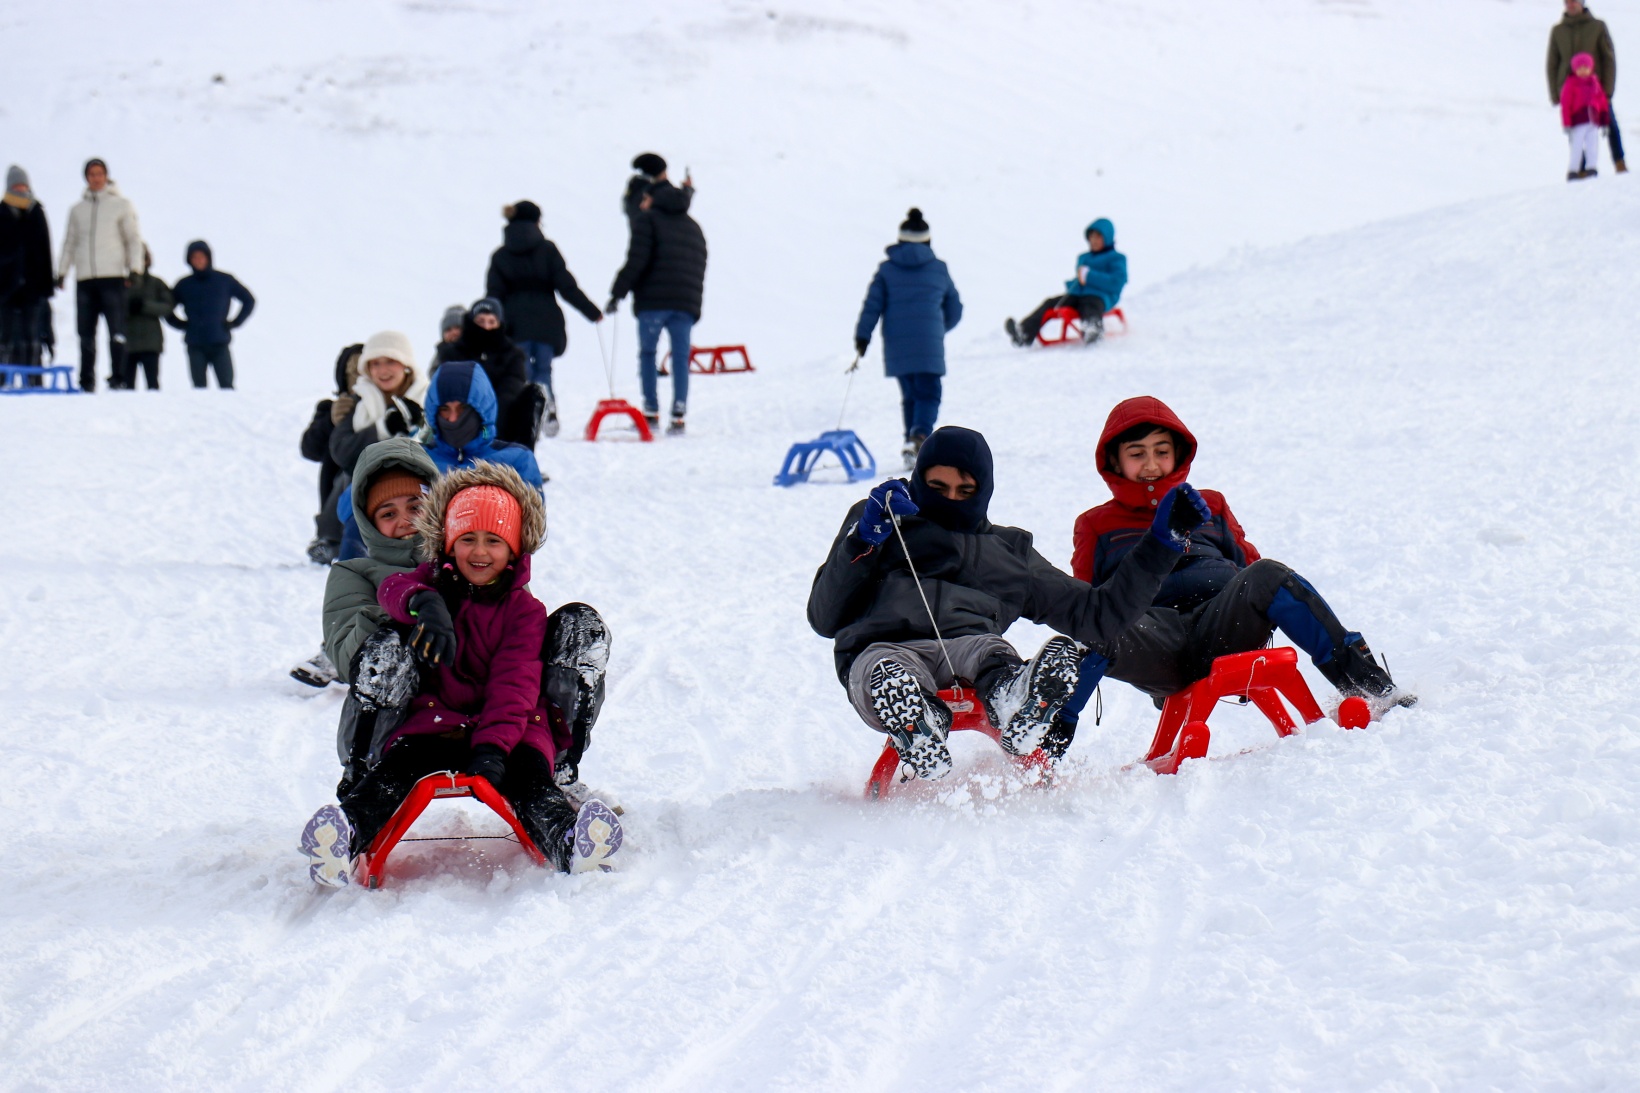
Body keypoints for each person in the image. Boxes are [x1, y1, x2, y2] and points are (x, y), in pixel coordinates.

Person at [806, 425, 1200, 780]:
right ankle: (912, 715)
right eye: (937, 487)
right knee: (883, 669)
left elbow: (1098, 615)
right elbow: (824, 618)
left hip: (969, 649)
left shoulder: (1008, 552)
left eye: (965, 491)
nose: (950, 500)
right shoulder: (881, 521)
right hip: (882, 649)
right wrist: (860, 543)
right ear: (918, 480)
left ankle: (1015, 696)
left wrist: (1160, 547)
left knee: (990, 652)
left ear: (984, 491)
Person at [298, 462, 623, 886]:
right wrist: (422, 602)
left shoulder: (524, 612)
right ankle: (345, 837)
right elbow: (390, 589)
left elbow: (515, 684)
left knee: (530, 782)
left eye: (494, 541)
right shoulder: (432, 583)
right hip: (437, 723)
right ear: (449, 544)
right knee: (394, 774)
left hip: (511, 732)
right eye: (467, 539)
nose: (479, 552)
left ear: (514, 550)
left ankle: (569, 841)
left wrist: (492, 747)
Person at [1051, 396, 1415, 759]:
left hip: (1222, 622)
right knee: (1094, 627)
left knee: (1270, 574)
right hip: (1156, 641)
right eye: (1137, 453)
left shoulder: (1210, 505)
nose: (1151, 464)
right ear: (1115, 460)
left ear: (1178, 454)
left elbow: (1251, 567)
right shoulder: (1096, 525)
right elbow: (1087, 607)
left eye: (1161, 451)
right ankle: (1046, 741)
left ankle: (1369, 686)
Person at [853, 208, 963, 469]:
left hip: (896, 344)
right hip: (929, 343)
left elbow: (872, 305)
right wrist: (938, 328)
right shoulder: (938, 268)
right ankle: (919, 437)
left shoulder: (886, 270)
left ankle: (910, 442)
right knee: (930, 392)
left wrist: (862, 336)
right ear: (928, 241)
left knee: (911, 395)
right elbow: (955, 308)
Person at [607, 152, 707, 435]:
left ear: (647, 197)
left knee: (649, 353)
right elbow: (699, 265)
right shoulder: (693, 226)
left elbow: (636, 260)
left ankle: (650, 412)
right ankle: (678, 412)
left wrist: (617, 294)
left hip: (652, 302)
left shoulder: (647, 222)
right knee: (680, 356)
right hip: (684, 305)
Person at [486, 201, 603, 439]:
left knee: (521, 370)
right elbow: (567, 286)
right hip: (546, 321)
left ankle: (527, 413)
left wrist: (488, 327)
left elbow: (493, 296)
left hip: (515, 323)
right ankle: (547, 405)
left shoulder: (500, 255)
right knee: (543, 369)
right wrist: (591, 311)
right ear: (536, 222)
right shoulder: (548, 249)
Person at [55, 158, 142, 392]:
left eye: (100, 173)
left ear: (106, 176)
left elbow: (133, 239)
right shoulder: (77, 210)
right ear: (86, 177)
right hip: (85, 279)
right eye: (92, 174)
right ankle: (87, 379)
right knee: (85, 334)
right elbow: (70, 242)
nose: (96, 178)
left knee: (116, 331)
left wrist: (135, 268)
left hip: (112, 276)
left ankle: (118, 377)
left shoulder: (121, 205)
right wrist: (62, 271)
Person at [420, 359, 544, 488]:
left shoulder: (517, 460)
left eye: (463, 409)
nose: (452, 419)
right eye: (444, 409)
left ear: (481, 411)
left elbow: (531, 507)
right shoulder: (418, 461)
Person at [1006, 218, 1127, 348]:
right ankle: (1023, 333)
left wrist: (1089, 276)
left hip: (1100, 296)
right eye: (1091, 237)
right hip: (1077, 294)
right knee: (1050, 303)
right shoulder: (1084, 257)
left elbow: (1117, 281)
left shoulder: (1117, 258)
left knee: (1090, 306)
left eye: (1098, 236)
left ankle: (1093, 331)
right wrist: (1073, 283)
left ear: (1107, 237)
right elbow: (1080, 279)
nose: (1094, 240)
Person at [432, 297, 536, 446]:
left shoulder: (512, 354)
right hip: (463, 416)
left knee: (533, 394)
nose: (486, 327)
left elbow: (513, 384)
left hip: (502, 416)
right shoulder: (453, 352)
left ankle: (519, 453)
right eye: (481, 321)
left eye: (492, 322)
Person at [327, 331, 428, 481]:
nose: (383, 370)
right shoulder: (358, 401)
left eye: (390, 361)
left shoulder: (428, 398)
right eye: (375, 363)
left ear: (406, 364)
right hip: (367, 487)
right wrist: (382, 428)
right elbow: (341, 451)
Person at [299, 343, 363, 567]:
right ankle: (329, 539)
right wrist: (331, 422)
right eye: (352, 373)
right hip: (338, 484)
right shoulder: (330, 409)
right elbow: (309, 449)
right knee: (346, 478)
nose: (357, 379)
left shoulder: (388, 410)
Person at [166, 240, 254, 389]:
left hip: (219, 342)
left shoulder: (224, 280)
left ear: (208, 258)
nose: (198, 260)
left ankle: (228, 412)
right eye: (194, 257)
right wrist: (180, 324)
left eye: (201, 256)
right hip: (195, 345)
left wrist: (235, 322)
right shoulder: (184, 284)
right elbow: (166, 308)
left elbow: (249, 300)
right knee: (199, 389)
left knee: (227, 388)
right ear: (189, 261)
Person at [1549, 1, 1624, 173]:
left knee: (1609, 122)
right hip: (1570, 91)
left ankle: (1620, 162)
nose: (1570, 4)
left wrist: (1607, 90)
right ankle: (1581, 169)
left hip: (1595, 91)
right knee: (1574, 130)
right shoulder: (1558, 31)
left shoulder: (1597, 26)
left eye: (1574, 1)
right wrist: (1555, 92)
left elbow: (1608, 59)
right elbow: (1552, 63)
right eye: (1567, 2)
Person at [0, 165, 54, 371]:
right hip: (6, 286)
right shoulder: (2, 212)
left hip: (33, 285)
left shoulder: (37, 212)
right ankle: (3, 378)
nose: (20, 188)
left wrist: (47, 286)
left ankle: (32, 377)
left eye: (23, 185)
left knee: (31, 334)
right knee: (5, 335)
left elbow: (45, 249)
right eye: (16, 185)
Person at [122, 246, 172, 390]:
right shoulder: (120, 284)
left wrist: (144, 306)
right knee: (126, 389)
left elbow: (167, 307)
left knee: (153, 387)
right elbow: (110, 309)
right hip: (127, 343)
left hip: (151, 343)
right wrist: (127, 307)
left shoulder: (156, 283)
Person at [1561, 52, 1612, 179]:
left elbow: (1602, 102)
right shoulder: (1571, 83)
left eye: (1586, 67)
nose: (1583, 71)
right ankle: (1573, 170)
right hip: (1578, 121)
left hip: (1593, 121)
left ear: (1591, 68)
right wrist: (1567, 123)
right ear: (1575, 69)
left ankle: (1591, 168)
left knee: (1592, 146)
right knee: (1577, 147)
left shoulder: (1594, 82)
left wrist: (1604, 121)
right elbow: (1566, 104)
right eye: (1580, 68)